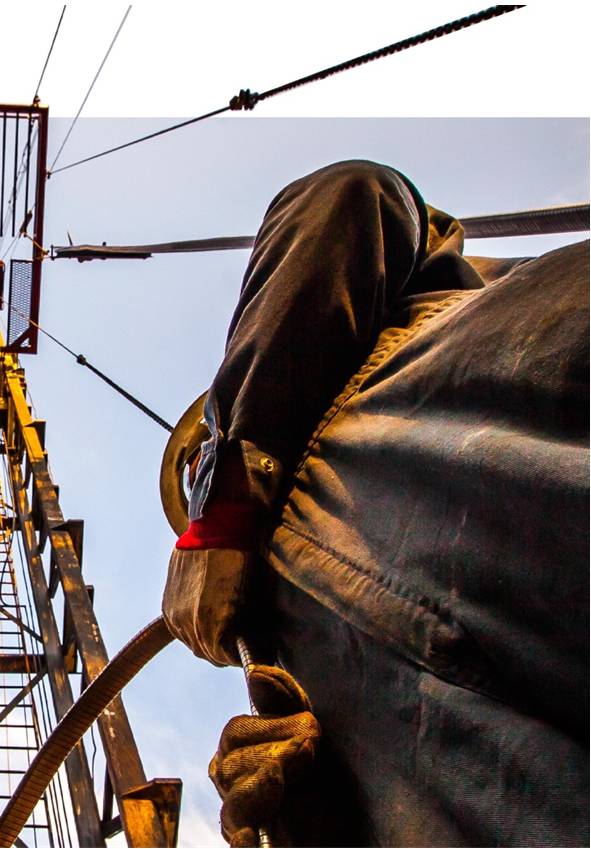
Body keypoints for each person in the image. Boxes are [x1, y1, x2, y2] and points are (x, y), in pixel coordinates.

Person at [162, 160, 589, 846]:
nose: (196, 480)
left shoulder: (415, 313)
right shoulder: (280, 660)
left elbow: (351, 194)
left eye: (197, 459)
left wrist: (226, 508)